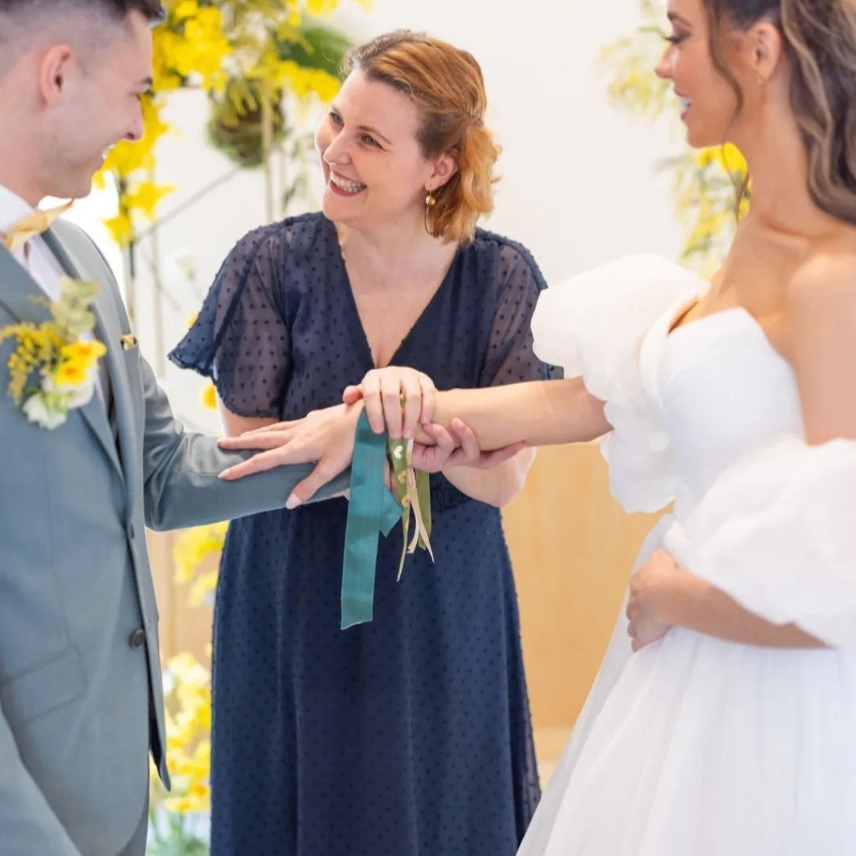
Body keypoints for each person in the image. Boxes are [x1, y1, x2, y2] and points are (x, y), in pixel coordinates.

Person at [221, 1, 856, 852]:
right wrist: (385, 420)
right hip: (683, 666)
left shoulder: (831, 278)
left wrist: (675, 594)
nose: (663, 64)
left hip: (752, 676)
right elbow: (587, 402)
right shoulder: (759, 235)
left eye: (676, 36)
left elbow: (840, 579)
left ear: (761, 49)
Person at [169, 29, 553, 856]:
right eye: (337, 120)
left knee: (444, 814)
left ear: (438, 167)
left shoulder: (504, 281)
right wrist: (390, 429)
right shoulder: (271, 265)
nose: (335, 150)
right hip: (292, 598)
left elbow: (504, 481)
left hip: (444, 609)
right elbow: (258, 461)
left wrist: (409, 418)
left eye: (370, 139)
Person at [0, 2, 347, 854]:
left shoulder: (78, 259)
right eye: (135, 93)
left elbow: (157, 470)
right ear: (55, 76)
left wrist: (348, 446)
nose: (136, 124)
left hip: (106, 769)